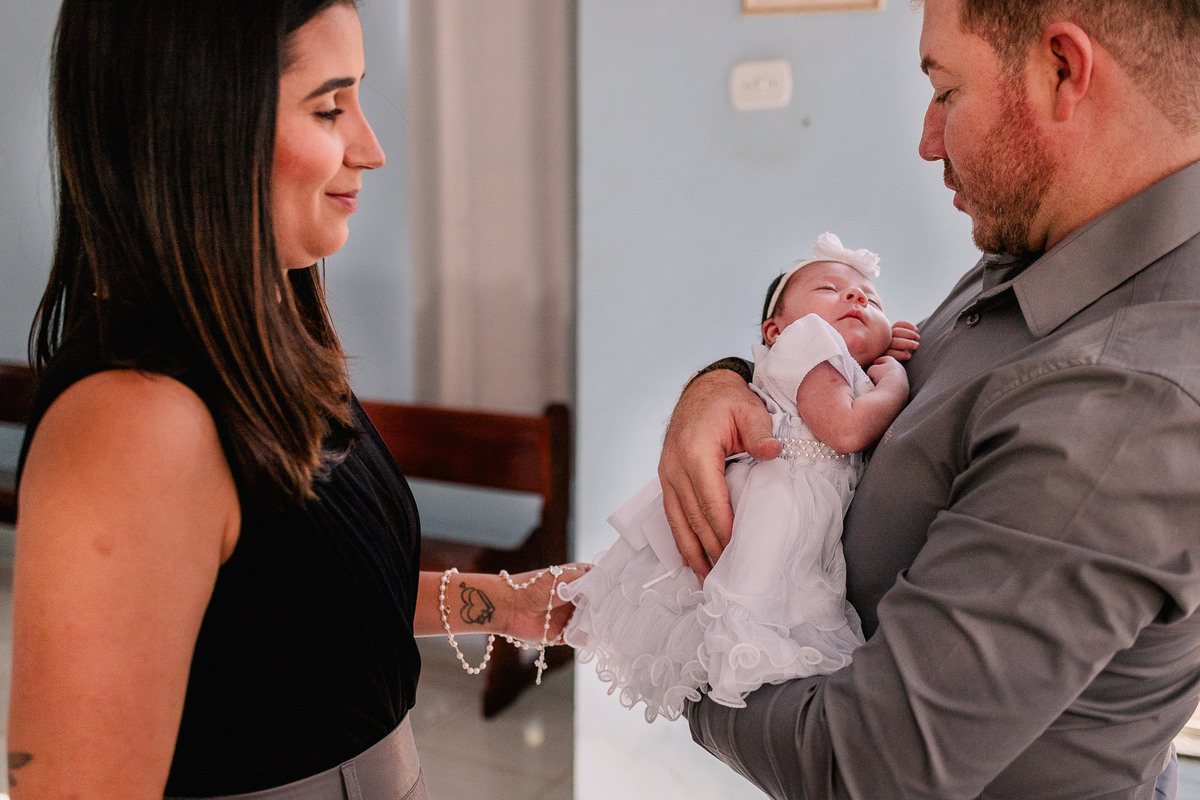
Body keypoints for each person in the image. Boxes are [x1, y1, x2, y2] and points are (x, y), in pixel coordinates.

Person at [8, 1, 583, 798]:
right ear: (202, 120)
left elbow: (299, 611)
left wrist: (511, 603)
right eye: (328, 107)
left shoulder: (262, 340)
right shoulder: (135, 421)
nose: (372, 149)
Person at [659, 0, 1200, 797]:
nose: (927, 139)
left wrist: (666, 650)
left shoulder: (1123, 408)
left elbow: (861, 767)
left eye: (947, 91)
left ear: (1062, 70)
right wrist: (726, 382)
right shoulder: (1055, 248)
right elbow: (906, 391)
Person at [560, 233, 915, 723]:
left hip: (784, 494)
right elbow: (848, 428)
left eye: (872, 301)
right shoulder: (812, 345)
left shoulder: (837, 364)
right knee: (758, 611)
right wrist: (893, 379)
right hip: (783, 500)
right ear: (776, 330)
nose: (856, 296)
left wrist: (874, 350)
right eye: (829, 289)